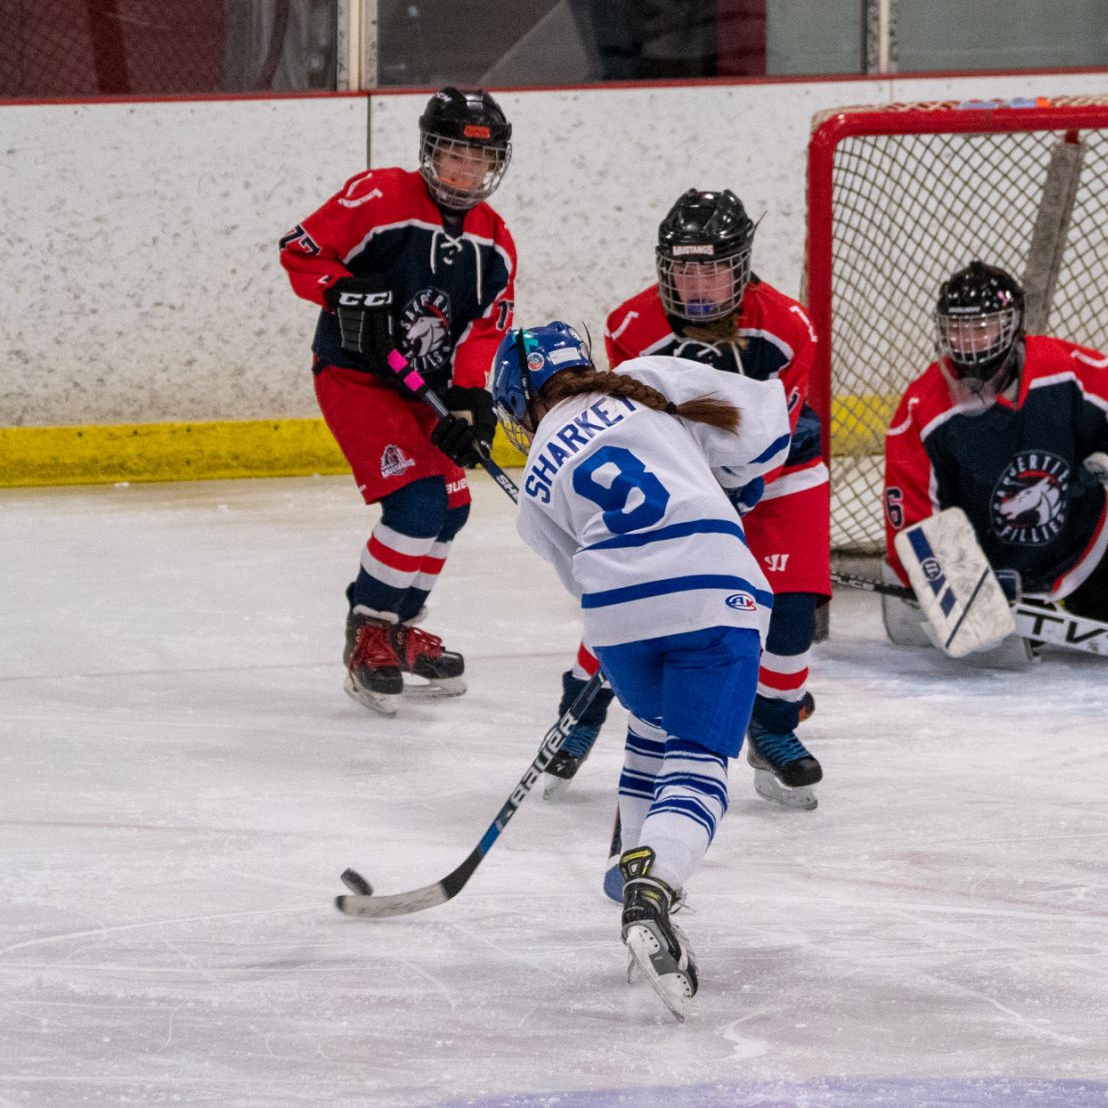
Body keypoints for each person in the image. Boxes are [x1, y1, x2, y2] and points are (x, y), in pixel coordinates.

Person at [489, 320, 790, 1020]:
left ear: (517, 405)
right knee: (698, 761)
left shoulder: (535, 475)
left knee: (651, 732)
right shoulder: (647, 378)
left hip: (618, 618)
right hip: (713, 588)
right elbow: (765, 428)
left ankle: (633, 876)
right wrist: (731, 484)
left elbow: (578, 576)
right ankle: (650, 892)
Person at [545, 189, 830, 809]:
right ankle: (580, 710)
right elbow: (625, 422)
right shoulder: (629, 326)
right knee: (633, 589)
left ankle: (773, 726)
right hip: (679, 480)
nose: (697, 283)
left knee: (791, 609)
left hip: (782, 475)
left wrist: (740, 485)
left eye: (713, 268)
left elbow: (773, 428)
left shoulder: (786, 326)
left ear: (743, 266)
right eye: (683, 269)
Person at [279, 87, 517, 714]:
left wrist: (469, 399)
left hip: (425, 391)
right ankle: (368, 631)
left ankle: (398, 628)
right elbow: (300, 249)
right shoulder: (381, 195)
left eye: (480, 162)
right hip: (357, 376)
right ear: (428, 152)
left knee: (454, 508)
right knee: (416, 506)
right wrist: (346, 292)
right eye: (453, 158)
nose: (466, 174)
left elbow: (483, 327)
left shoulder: (494, 240)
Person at [880, 262, 1108, 654]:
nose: (968, 342)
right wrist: (941, 580)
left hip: (1077, 547)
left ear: (1013, 324)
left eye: (981, 327)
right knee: (988, 646)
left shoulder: (1075, 373)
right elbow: (914, 519)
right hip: (987, 565)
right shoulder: (922, 411)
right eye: (957, 329)